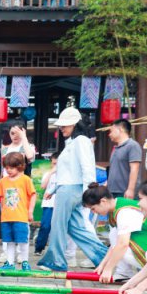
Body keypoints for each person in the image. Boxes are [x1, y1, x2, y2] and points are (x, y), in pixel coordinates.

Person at [38, 107, 108, 272]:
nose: (61, 128)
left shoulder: (80, 141)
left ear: (75, 124)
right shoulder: (74, 142)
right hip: (70, 189)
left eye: (65, 125)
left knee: (58, 225)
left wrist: (88, 192)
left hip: (70, 190)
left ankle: (55, 261)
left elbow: (87, 167)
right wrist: (54, 190)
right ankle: (104, 257)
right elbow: (68, 171)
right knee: (76, 228)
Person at [82, 183, 147, 283]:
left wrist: (108, 269)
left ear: (103, 201)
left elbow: (122, 245)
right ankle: (124, 273)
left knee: (122, 248)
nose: (93, 212)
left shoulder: (124, 212)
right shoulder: (117, 205)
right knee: (114, 234)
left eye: (93, 209)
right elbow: (115, 243)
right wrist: (103, 265)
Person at [0, 152, 37, 271]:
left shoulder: (26, 180)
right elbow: (1, 198)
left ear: (19, 166)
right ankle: (10, 263)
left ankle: (25, 262)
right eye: (6, 167)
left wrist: (30, 211)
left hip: (21, 217)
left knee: (23, 240)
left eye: (11, 168)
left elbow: (33, 195)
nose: (8, 170)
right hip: (6, 217)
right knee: (9, 241)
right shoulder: (3, 181)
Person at [107, 119, 142, 199]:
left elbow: (134, 168)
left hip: (125, 191)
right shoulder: (116, 148)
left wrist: (130, 189)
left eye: (111, 131)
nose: (109, 134)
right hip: (112, 191)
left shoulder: (132, 145)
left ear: (121, 129)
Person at [34, 152, 58, 255]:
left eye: (57, 163)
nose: (55, 166)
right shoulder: (48, 173)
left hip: (60, 204)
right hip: (49, 203)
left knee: (58, 228)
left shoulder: (67, 174)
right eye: (54, 163)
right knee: (45, 226)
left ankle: (55, 249)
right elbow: (43, 186)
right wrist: (51, 172)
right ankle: (39, 247)